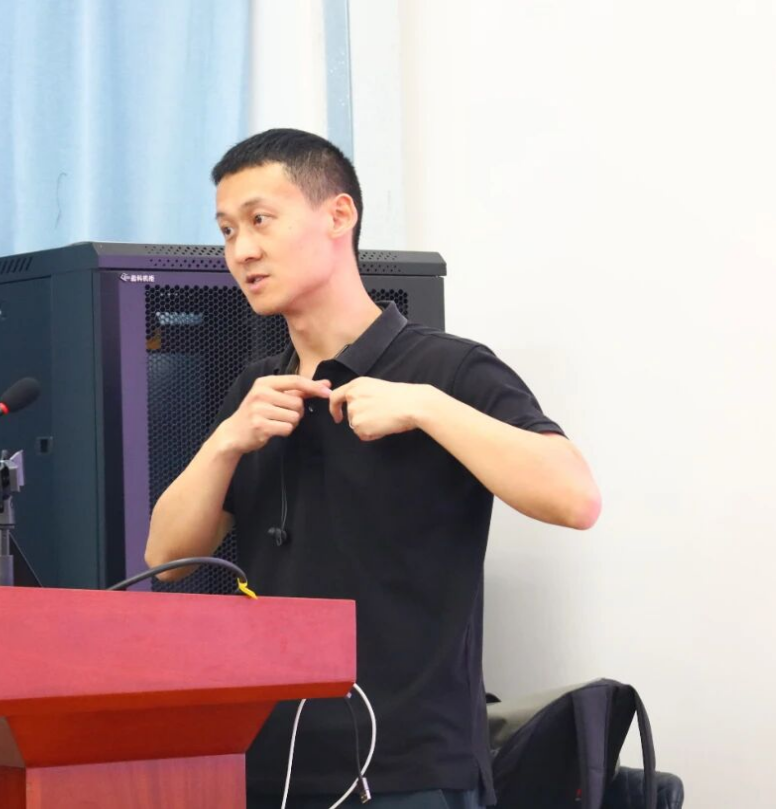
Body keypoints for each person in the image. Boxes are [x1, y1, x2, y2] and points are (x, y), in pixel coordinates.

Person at [143, 128, 601, 808]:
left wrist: (426, 407)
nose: (241, 250)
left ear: (338, 215)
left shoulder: (446, 369)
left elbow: (575, 497)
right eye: (227, 230)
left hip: (409, 771)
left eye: (261, 220)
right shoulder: (256, 391)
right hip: (271, 765)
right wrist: (225, 442)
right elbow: (166, 560)